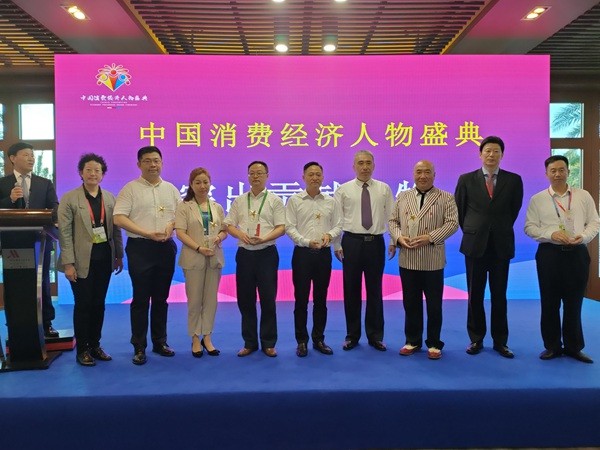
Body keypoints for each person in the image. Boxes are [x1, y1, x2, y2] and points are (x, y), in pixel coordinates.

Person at [524, 155, 599, 364]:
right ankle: (552, 346)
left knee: (574, 303)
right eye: (553, 170)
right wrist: (551, 234)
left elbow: (595, 222)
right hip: (550, 254)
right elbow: (529, 227)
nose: (557, 174)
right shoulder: (538, 199)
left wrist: (583, 237)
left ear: (568, 171)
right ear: (546, 173)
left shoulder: (583, 196)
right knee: (550, 303)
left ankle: (574, 347)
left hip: (577, 253)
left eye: (561, 170)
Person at [454, 136, 523, 358]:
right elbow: (460, 211)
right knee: (474, 294)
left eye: (496, 151)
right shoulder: (466, 179)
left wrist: (496, 229)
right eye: (488, 151)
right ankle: (476, 338)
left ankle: (500, 341)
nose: (491, 155)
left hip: (501, 245)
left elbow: (513, 210)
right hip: (475, 245)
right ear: (480, 154)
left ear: (502, 155)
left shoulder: (513, 180)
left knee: (499, 295)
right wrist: (476, 230)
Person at [113, 146, 180, 365]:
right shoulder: (130, 189)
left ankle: (160, 342)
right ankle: (139, 346)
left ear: (162, 163)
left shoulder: (171, 189)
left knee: (161, 298)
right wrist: (146, 233)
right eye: (148, 161)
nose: (153, 165)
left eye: (156, 160)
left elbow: (180, 216)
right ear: (139, 164)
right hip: (140, 248)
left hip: (165, 248)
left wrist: (171, 226)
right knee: (141, 299)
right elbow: (118, 218)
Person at [57, 153, 124, 366]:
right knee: (83, 304)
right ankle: (83, 349)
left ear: (102, 174)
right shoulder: (70, 198)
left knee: (99, 304)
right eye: (88, 170)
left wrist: (119, 255)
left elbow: (116, 230)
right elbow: (64, 233)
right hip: (79, 261)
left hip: (104, 259)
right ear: (81, 173)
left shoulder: (110, 199)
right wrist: (68, 263)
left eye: (97, 170)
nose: (93, 174)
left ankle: (95, 345)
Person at [389, 160, 459, 360]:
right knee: (410, 303)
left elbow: (452, 223)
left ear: (434, 175)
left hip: (432, 259)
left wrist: (430, 237)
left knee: (434, 305)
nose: (423, 176)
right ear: (413, 174)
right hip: (408, 258)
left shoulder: (446, 197)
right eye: (419, 172)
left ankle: (434, 343)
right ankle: (412, 340)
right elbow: (393, 221)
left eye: (427, 172)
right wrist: (398, 238)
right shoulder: (403, 196)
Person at [334, 150, 395, 351]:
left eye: (368, 163)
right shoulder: (343, 190)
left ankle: (375, 335)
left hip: (375, 243)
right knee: (351, 290)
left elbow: (391, 217)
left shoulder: (384, 189)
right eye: (360, 163)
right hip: (351, 243)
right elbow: (337, 220)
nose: (365, 167)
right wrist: (336, 244)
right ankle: (352, 335)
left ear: (374, 166)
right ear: (354, 166)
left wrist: (393, 240)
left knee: (375, 290)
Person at [225, 161, 285, 357]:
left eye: (260, 173)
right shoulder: (240, 200)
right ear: (248, 176)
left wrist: (264, 238)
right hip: (245, 255)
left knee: (268, 299)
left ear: (267, 175)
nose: (256, 176)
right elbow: (229, 224)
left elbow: (281, 227)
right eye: (252, 173)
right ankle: (249, 342)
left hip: (267, 253)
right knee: (245, 300)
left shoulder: (275, 200)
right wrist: (240, 235)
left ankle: (269, 342)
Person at [0, 142, 59, 338]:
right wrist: (9, 200)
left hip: (40, 242)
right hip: (12, 243)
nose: (31, 158)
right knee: (14, 283)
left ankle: (46, 323)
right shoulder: (3, 183)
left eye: (32, 155)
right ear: (12, 158)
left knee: (42, 282)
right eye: (26, 154)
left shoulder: (45, 183)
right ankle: (15, 323)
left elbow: (54, 207)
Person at [285, 161, 342, 357]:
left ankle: (319, 339)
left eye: (318, 174)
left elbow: (338, 225)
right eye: (311, 174)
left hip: (323, 255)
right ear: (303, 177)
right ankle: (301, 341)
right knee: (301, 300)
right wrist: (306, 242)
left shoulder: (330, 201)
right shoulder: (294, 200)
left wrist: (330, 235)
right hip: (302, 254)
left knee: (321, 299)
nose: (315, 178)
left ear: (323, 177)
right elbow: (289, 227)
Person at [175, 167, 227, 358]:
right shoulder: (184, 206)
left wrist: (219, 237)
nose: (202, 186)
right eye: (198, 182)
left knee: (211, 300)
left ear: (210, 183)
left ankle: (208, 336)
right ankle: (195, 337)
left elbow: (224, 230)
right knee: (195, 300)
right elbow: (180, 232)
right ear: (191, 185)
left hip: (214, 257)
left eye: (205, 182)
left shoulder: (217, 207)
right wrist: (198, 248)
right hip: (194, 258)